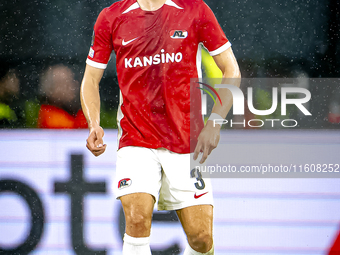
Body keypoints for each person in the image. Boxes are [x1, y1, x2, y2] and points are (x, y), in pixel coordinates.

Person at [80, 0, 241, 254]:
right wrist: (94, 123)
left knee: (202, 238)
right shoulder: (111, 17)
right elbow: (90, 78)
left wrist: (215, 123)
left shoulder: (195, 9)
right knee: (136, 220)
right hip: (136, 139)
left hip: (187, 141)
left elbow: (231, 69)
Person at [38, 64, 88, 129]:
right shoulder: (49, 116)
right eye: (64, 83)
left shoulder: (78, 113)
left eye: (71, 81)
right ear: (50, 90)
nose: (72, 86)